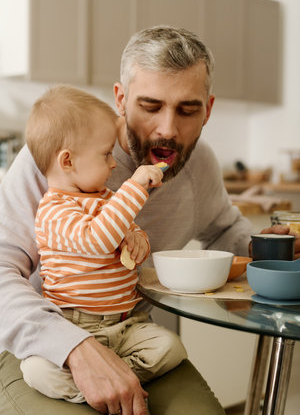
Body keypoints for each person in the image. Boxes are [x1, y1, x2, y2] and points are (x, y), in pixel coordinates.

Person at [0, 25, 299, 415]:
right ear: (121, 99)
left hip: (133, 337)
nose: (168, 129)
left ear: (207, 110)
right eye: (151, 106)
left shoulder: (200, 164)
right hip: (37, 342)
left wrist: (266, 246)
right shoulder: (60, 158)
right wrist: (72, 348)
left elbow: (223, 228)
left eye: (188, 110)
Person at [19, 85, 187, 408]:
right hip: (74, 326)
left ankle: (121, 376)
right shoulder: (54, 211)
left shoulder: (108, 199)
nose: (114, 164)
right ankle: (91, 389)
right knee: (36, 370)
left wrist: (139, 241)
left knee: (171, 346)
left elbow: (129, 229)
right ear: (67, 161)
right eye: (106, 154)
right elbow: (97, 240)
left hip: (126, 325)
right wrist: (135, 185)